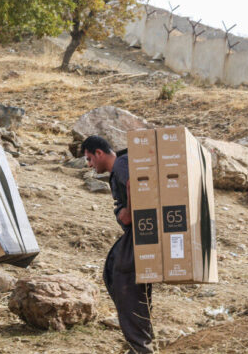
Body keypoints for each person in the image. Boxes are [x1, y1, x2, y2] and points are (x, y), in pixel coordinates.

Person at [82, 136, 154, 353]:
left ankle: (140, 346)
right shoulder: (122, 164)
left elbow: (136, 185)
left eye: (89, 158)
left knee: (123, 278)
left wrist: (128, 212)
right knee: (113, 270)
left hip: (141, 230)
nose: (89, 165)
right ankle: (141, 339)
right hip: (138, 232)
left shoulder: (122, 164)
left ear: (99, 153)